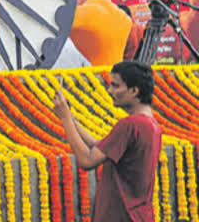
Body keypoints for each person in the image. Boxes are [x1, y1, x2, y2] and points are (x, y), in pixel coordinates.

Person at [53, 61, 162, 222]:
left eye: (116, 86)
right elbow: (100, 146)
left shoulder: (130, 125)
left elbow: (87, 161)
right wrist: (71, 119)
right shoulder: (150, 123)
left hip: (121, 215)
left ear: (134, 91)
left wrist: (65, 118)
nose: (110, 91)